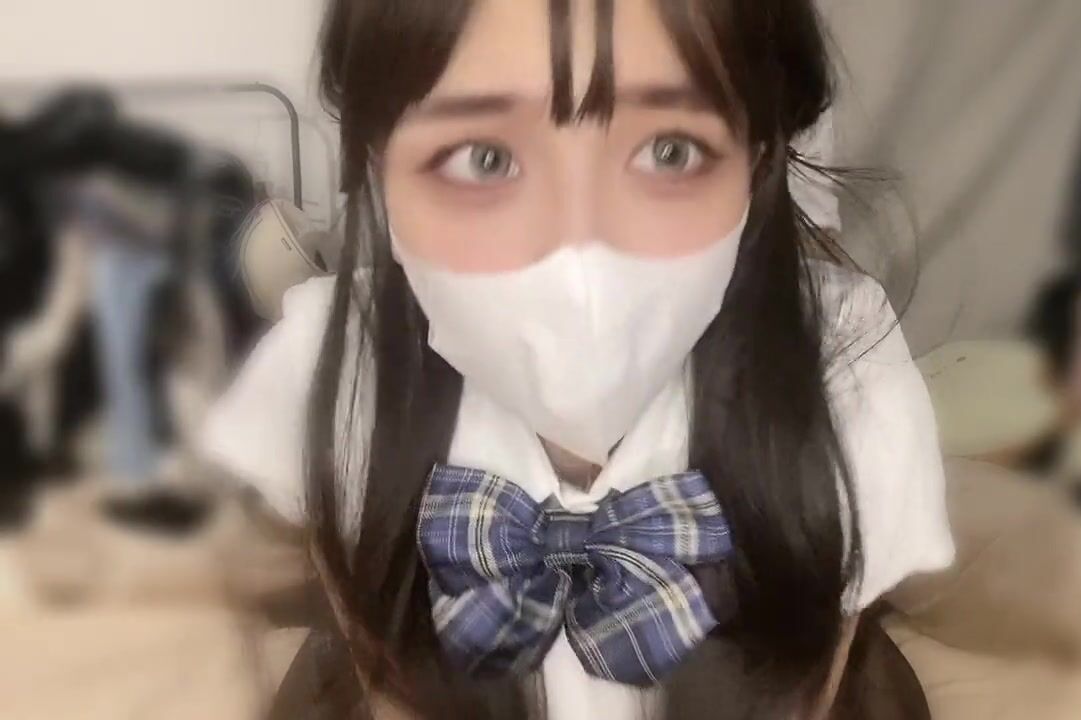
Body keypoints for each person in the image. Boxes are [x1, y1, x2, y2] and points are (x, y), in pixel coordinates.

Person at [201, 1, 952, 718]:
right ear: (378, 168)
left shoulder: (845, 379)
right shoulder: (331, 374)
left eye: (670, 151)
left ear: (756, 163)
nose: (578, 250)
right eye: (484, 159)